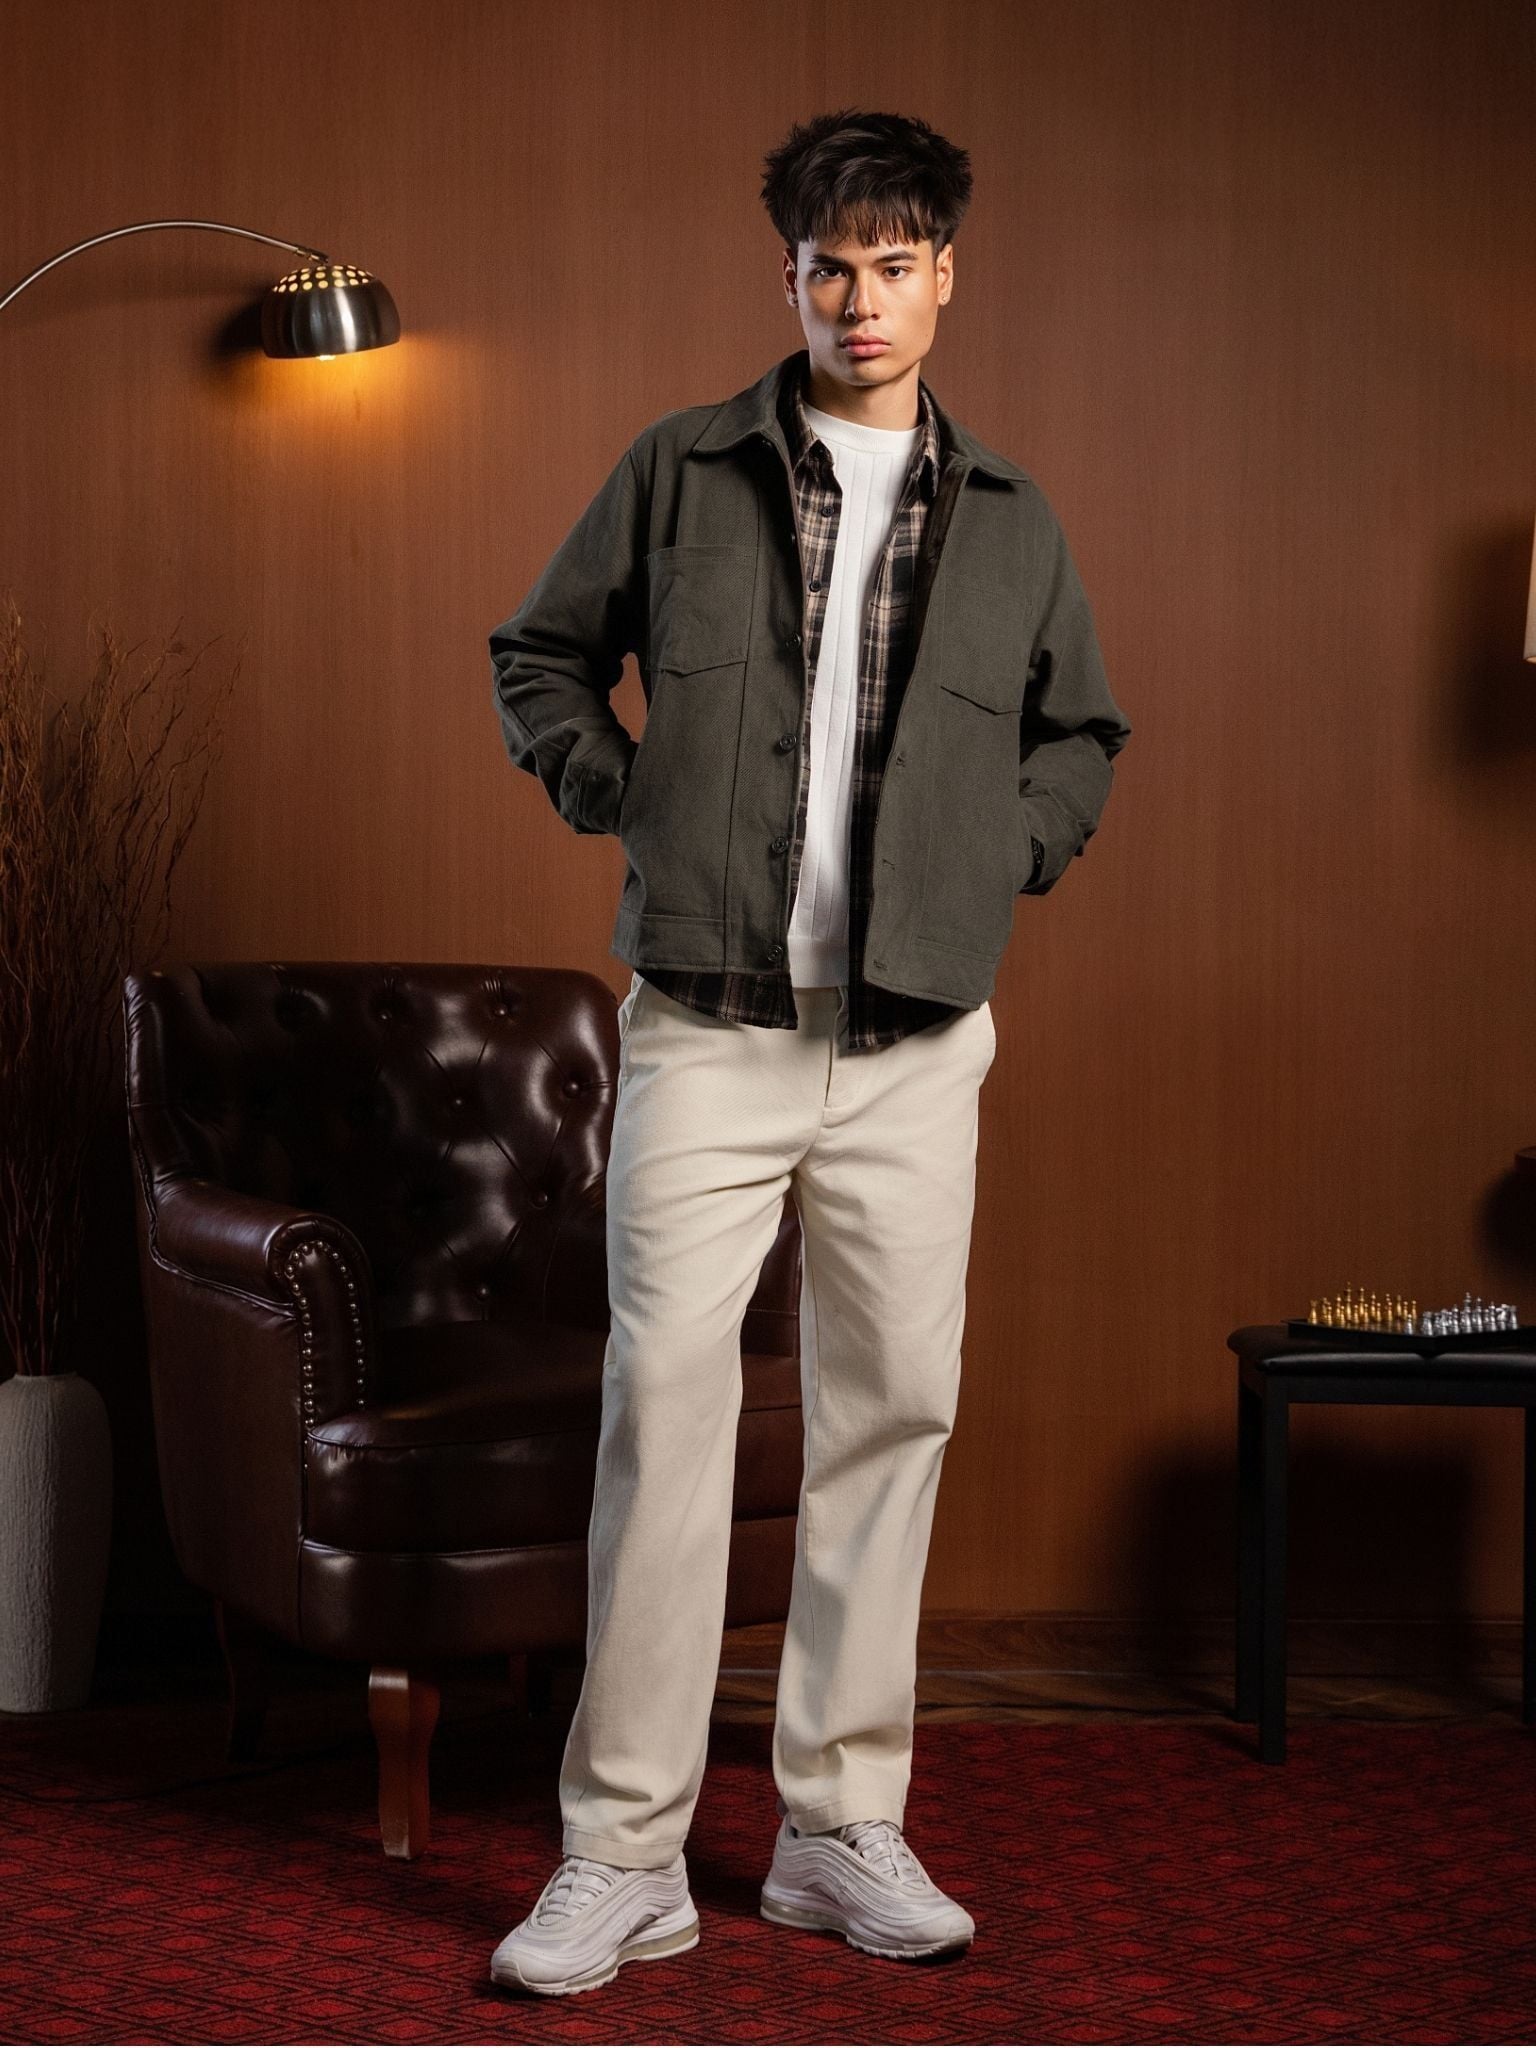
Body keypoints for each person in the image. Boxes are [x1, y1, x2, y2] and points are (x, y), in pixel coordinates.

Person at [485, 106, 1133, 1997]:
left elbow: (1082, 736)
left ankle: (839, 1830)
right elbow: (540, 655)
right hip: (708, 1028)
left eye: (895, 264)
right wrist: (626, 795)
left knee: (890, 1416)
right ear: (787, 276)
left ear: (948, 277)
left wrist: (1004, 854)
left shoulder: (1013, 518)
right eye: (830, 266)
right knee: (665, 1418)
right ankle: (623, 1854)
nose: (862, 299)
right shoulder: (679, 470)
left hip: (919, 1040)